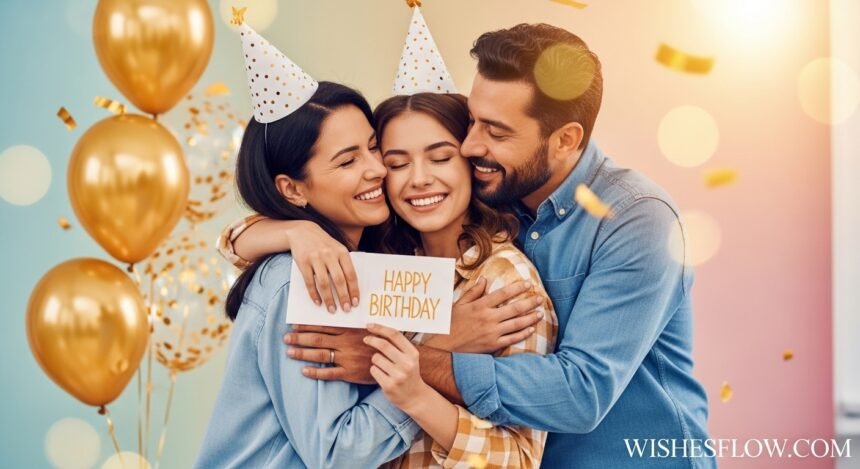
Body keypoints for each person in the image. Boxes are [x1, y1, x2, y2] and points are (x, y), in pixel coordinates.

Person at [225, 22, 714, 468]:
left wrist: (398, 363)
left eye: (493, 132)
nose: (472, 145)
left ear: (565, 140)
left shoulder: (634, 219)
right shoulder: (461, 210)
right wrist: (291, 231)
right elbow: (260, 251)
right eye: (473, 122)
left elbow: (579, 395)